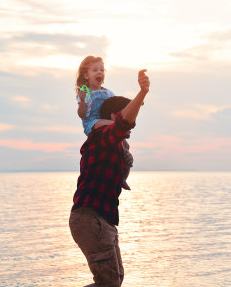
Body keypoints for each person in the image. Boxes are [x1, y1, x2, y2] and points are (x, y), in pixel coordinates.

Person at [69, 69, 150, 287]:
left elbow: (122, 182)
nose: (133, 124)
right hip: (90, 218)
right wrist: (142, 93)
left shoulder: (116, 146)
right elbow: (124, 123)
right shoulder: (100, 137)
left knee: (115, 279)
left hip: (104, 219)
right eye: (126, 115)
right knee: (109, 282)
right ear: (114, 117)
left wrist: (126, 157)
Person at [76, 55, 132, 190]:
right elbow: (82, 114)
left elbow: (119, 105)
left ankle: (123, 177)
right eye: (94, 70)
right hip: (92, 123)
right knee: (109, 123)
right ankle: (121, 131)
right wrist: (82, 101)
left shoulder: (108, 92)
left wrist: (134, 104)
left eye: (102, 69)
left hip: (108, 123)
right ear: (86, 75)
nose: (99, 72)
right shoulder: (86, 93)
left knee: (126, 146)